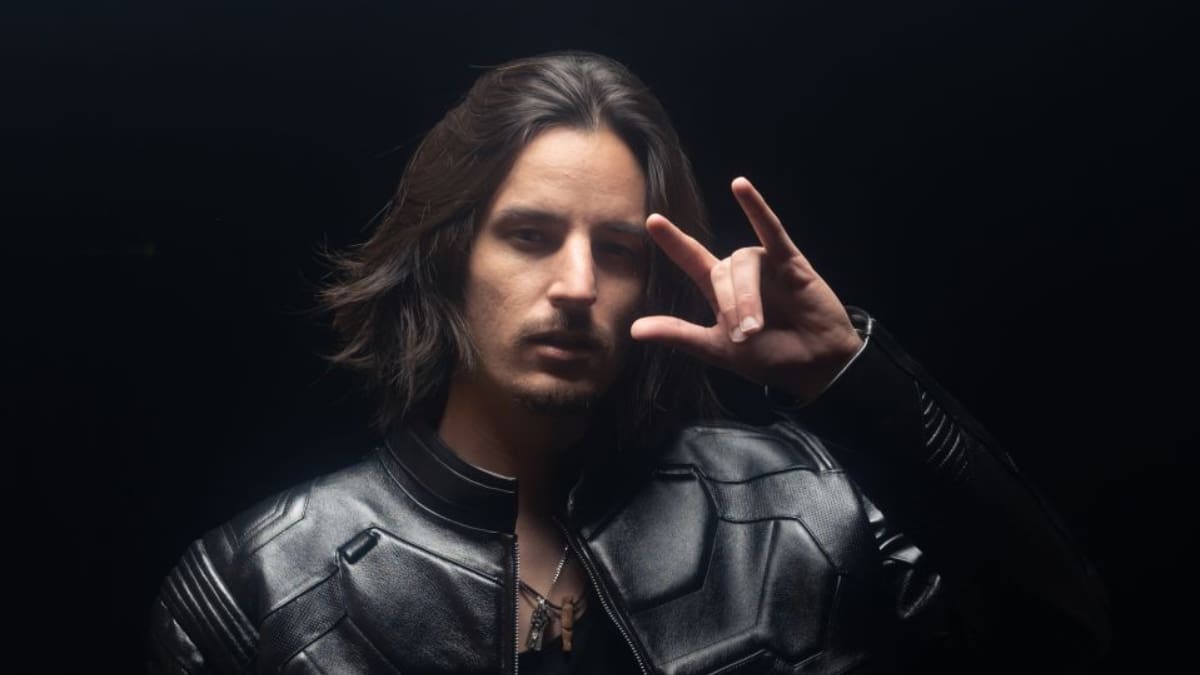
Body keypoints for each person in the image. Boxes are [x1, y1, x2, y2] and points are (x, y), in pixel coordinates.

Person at [146, 51, 1110, 674]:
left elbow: (1061, 638)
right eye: (530, 235)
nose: (577, 284)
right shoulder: (261, 584)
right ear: (447, 259)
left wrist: (847, 373)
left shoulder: (803, 509)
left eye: (616, 249)